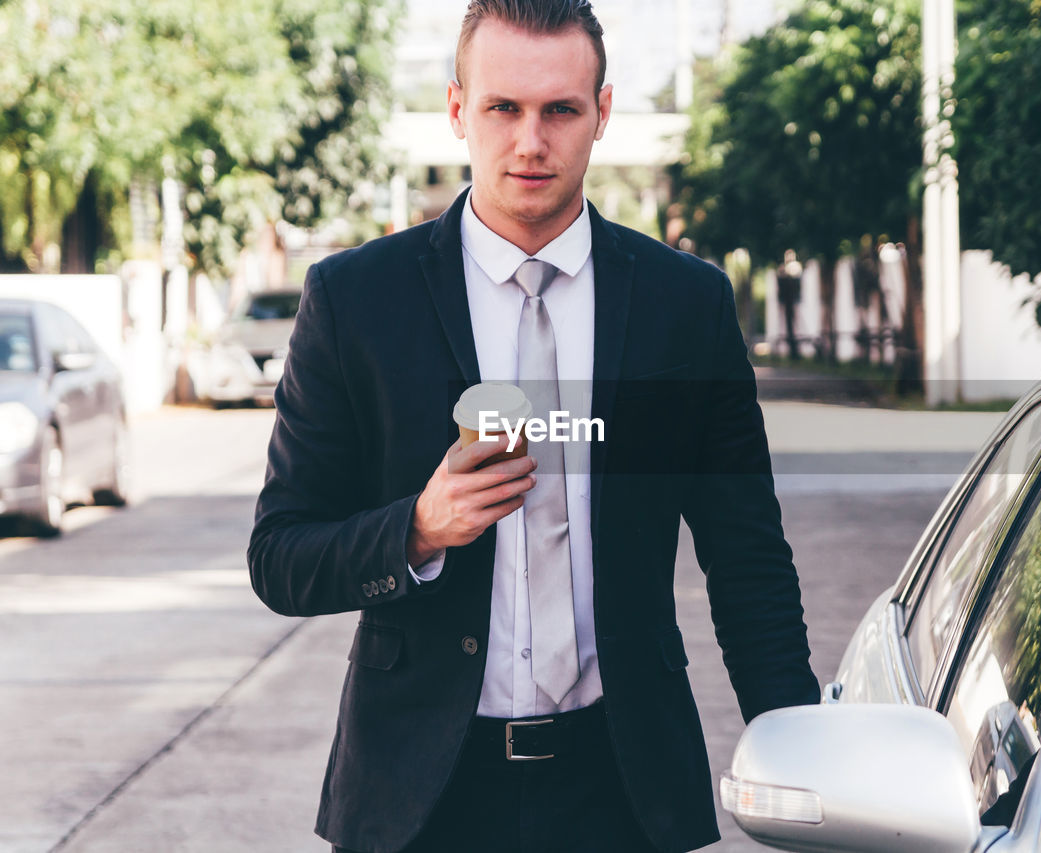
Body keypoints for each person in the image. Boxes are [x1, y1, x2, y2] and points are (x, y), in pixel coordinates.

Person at [247, 2, 819, 851]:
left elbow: (748, 557)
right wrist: (416, 529)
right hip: (418, 795)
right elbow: (281, 557)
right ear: (455, 110)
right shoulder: (356, 302)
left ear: (602, 114)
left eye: (560, 109)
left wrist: (805, 755)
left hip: (624, 787)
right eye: (502, 108)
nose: (529, 142)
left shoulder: (682, 306)